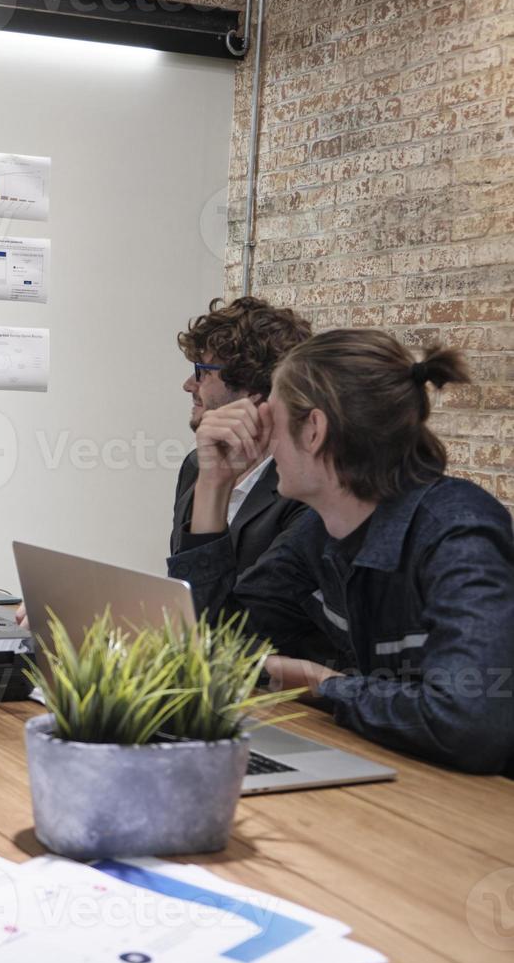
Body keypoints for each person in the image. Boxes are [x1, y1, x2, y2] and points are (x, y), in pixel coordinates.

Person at [168, 330, 514, 774]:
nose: (264, 440)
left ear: (313, 430)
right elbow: (214, 645)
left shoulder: (457, 528)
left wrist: (326, 684)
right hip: (397, 768)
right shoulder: (319, 530)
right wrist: (214, 485)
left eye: (271, 419)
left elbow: (471, 722)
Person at [171, 296, 312, 576]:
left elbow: (252, 616)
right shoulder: (195, 466)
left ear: (251, 388)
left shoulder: (302, 494)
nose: (188, 385)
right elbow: (184, 590)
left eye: (202, 373)